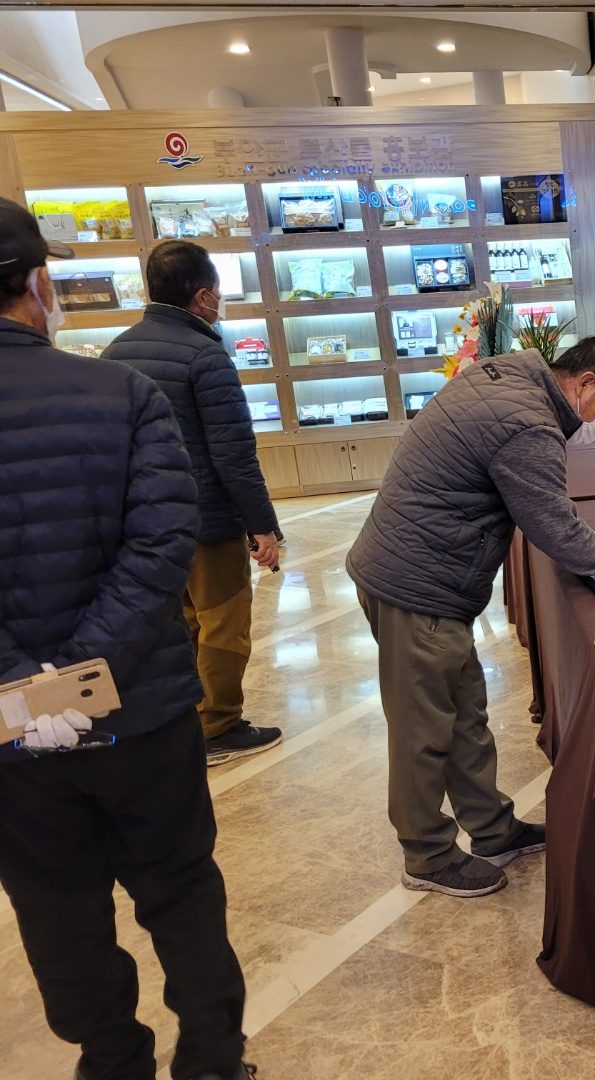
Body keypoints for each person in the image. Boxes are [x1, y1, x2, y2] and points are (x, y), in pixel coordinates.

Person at [0, 201, 252, 1079]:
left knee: (55, 907)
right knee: (181, 891)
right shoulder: (121, 393)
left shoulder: (127, 375)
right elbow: (161, 547)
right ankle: (212, 1059)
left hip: (12, 735)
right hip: (140, 710)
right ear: (40, 285)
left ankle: (111, 1060)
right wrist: (79, 677)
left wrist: (30, 693)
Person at [347, 338, 595, 898]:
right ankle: (427, 856)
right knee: (424, 730)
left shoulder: (507, 376)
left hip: (424, 573)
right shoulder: (528, 423)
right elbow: (556, 532)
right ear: (586, 384)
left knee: (464, 712)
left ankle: (493, 829)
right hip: (417, 584)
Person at [105, 240, 283, 766]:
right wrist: (263, 527)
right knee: (224, 622)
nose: (219, 302)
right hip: (205, 519)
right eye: (218, 292)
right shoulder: (206, 355)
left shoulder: (116, 352)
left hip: (145, 522)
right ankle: (219, 726)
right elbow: (233, 455)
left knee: (180, 620)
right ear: (203, 296)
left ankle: (183, 719)